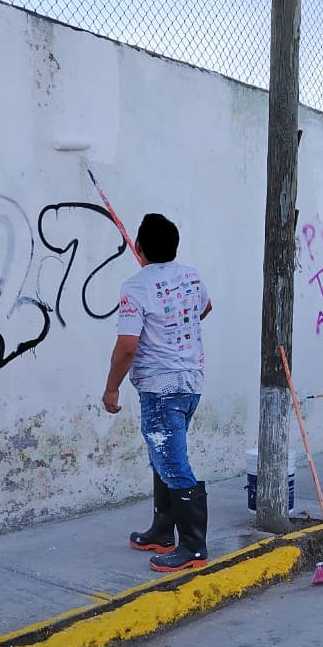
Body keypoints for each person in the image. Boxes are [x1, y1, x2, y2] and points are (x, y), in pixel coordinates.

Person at [103, 213, 213, 572]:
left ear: (138, 247)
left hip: (160, 390)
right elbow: (204, 308)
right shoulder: (191, 276)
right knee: (164, 457)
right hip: (190, 383)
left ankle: (193, 547)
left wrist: (111, 388)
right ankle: (163, 531)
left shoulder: (135, 287)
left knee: (173, 463)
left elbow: (127, 346)